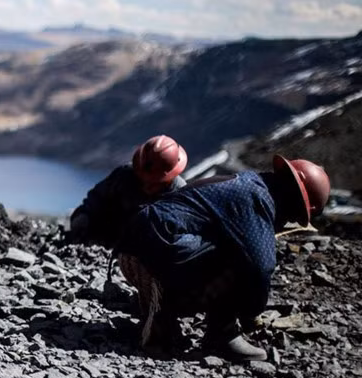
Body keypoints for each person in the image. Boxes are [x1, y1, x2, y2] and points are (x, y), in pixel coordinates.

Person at [114, 155, 330, 362]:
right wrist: (251, 314)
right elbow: (261, 267)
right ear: (293, 199)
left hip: (135, 249)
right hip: (157, 256)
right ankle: (220, 335)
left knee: (230, 248)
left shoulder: (247, 184)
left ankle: (162, 314)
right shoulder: (257, 197)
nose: (290, 219)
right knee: (241, 257)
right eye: (296, 214)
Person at [71, 135, 188, 249]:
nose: (147, 185)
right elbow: (97, 198)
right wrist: (84, 216)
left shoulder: (180, 195)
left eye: (154, 182)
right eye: (143, 178)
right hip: (108, 239)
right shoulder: (124, 175)